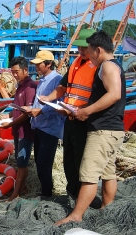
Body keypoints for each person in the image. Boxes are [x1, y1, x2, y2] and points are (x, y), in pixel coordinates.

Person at [55, 30, 125, 225]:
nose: (88, 57)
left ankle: (76, 215)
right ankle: (106, 209)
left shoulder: (107, 66)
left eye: (90, 51)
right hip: (113, 129)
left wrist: (87, 112)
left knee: (88, 174)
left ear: (99, 50)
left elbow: (114, 94)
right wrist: (80, 109)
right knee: (108, 173)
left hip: (103, 129)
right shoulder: (115, 65)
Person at [40, 29, 97, 200]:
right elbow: (63, 87)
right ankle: (72, 192)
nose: (82, 51)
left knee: (82, 161)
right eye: (79, 48)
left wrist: (82, 110)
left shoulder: (98, 67)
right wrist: (48, 98)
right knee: (69, 160)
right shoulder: (76, 63)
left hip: (84, 120)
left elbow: (98, 96)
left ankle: (83, 197)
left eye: (85, 48)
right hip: (69, 120)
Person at [0, 57, 37, 201]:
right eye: (12, 72)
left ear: (26, 70)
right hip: (17, 130)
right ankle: (22, 189)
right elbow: (17, 107)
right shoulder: (20, 85)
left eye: (16, 71)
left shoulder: (30, 86)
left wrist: (10, 124)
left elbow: (27, 113)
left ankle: (16, 193)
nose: (14, 75)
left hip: (25, 132)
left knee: (22, 163)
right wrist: (7, 115)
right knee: (20, 161)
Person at [26, 50, 65, 197]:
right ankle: (45, 192)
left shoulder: (57, 80)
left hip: (50, 129)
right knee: (39, 162)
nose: (36, 67)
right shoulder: (42, 80)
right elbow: (40, 102)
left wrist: (41, 112)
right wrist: (32, 110)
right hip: (39, 127)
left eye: (39, 64)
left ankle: (47, 195)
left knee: (44, 163)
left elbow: (60, 105)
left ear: (48, 64)